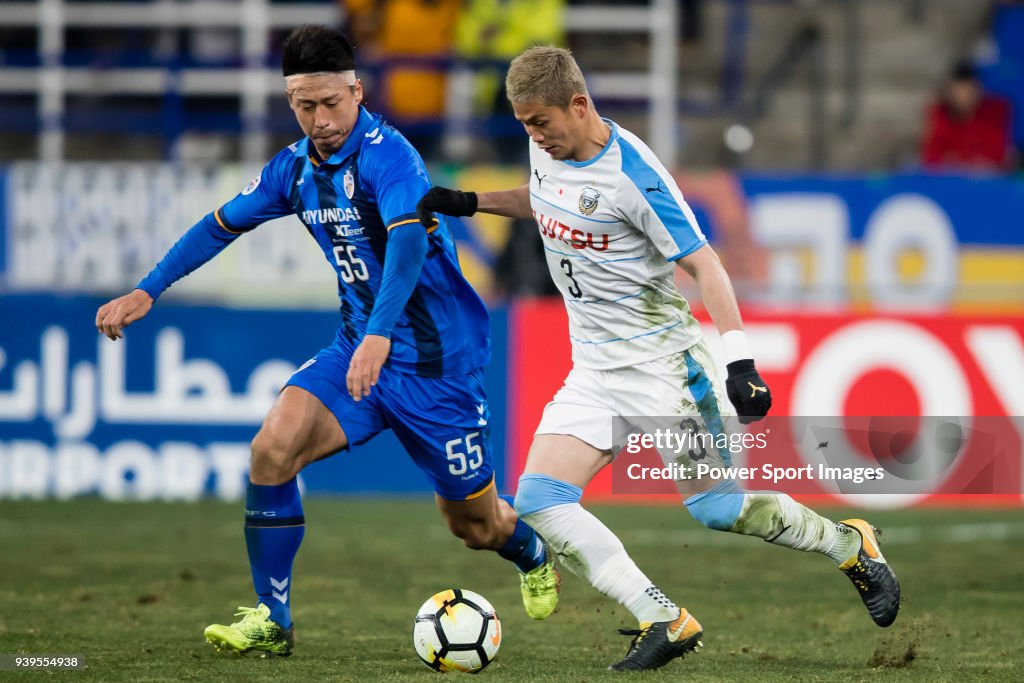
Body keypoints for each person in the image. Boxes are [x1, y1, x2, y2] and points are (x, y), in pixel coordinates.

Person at [417, 46, 901, 672]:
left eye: (541, 123)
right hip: (592, 367)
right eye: (525, 125)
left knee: (719, 510)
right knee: (539, 498)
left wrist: (740, 362)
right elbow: (548, 202)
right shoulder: (549, 149)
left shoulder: (634, 177)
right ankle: (663, 617)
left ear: (580, 105)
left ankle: (849, 544)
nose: (534, 137)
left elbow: (705, 263)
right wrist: (472, 202)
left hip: (664, 370)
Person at [94, 25, 559, 658]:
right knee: (271, 449)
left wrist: (380, 334)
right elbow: (219, 225)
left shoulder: (390, 155)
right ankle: (271, 616)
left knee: (475, 526)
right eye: (304, 105)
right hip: (354, 351)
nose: (319, 119)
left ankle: (529, 550)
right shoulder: (291, 169)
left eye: (330, 103)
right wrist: (149, 289)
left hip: (437, 365)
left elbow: (408, 241)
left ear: (357, 91)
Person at [920, 60, 1013, 172]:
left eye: (969, 90)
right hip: (951, 181)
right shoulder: (940, 114)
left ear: (978, 90)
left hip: (985, 181)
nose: (964, 96)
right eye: (959, 91)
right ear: (949, 91)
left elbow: (996, 157)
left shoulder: (995, 112)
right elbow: (931, 159)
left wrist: (960, 161)